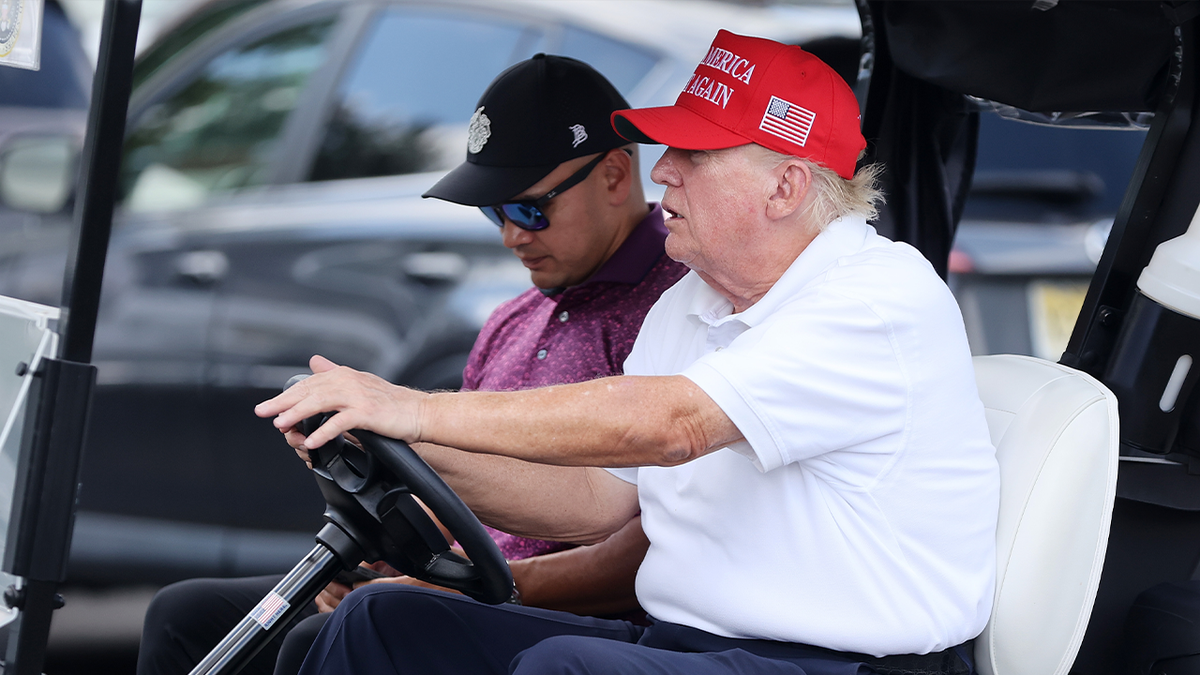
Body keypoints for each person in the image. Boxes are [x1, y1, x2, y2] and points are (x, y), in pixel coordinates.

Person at [259, 30, 1000, 675]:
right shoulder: (696, 299)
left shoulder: (874, 295)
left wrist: (419, 410)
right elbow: (598, 498)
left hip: (851, 663)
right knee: (379, 625)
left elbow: (672, 424)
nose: (663, 167)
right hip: (695, 646)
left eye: (695, 152)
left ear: (786, 186)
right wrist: (387, 441)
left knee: (567, 666)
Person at [136, 54, 686, 675]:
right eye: (493, 212)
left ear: (615, 175)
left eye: (529, 209)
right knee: (186, 615)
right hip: (476, 583)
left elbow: (651, 542)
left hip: (575, 619)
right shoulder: (512, 318)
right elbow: (455, 494)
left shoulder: (675, 309)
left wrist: (468, 588)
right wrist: (379, 556)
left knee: (325, 638)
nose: (511, 236)